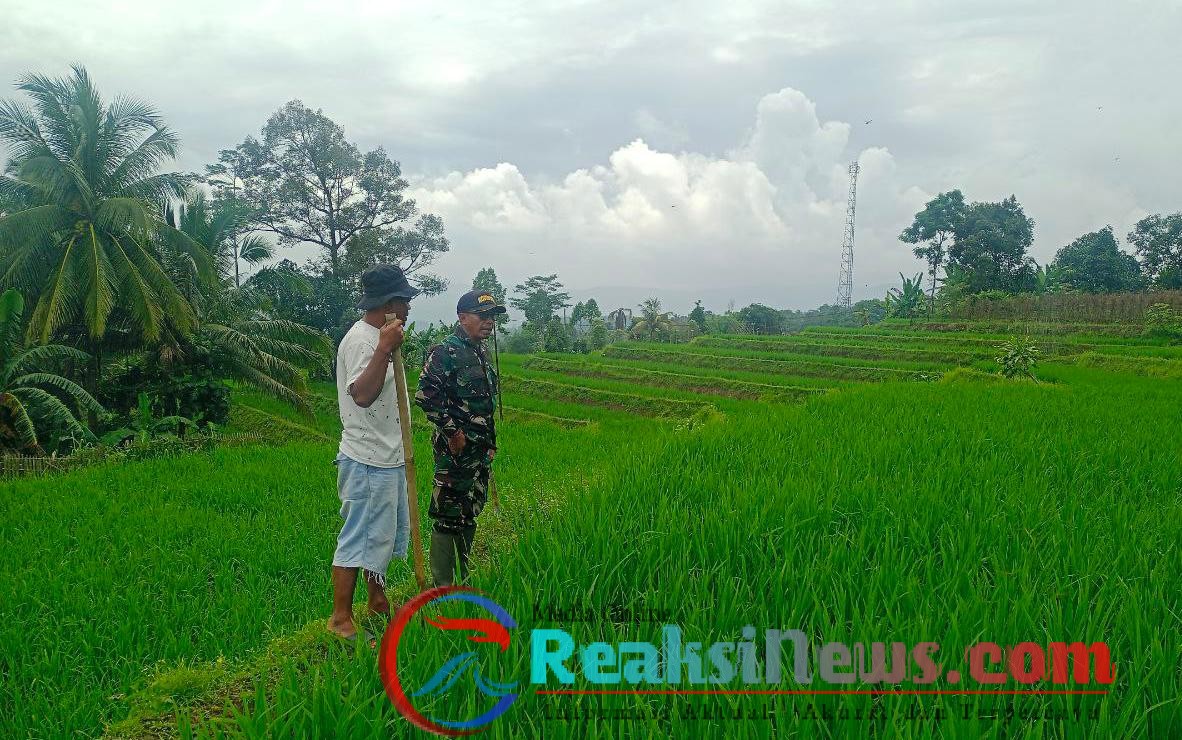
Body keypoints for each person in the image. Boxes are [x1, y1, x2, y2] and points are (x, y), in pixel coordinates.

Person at [328, 264, 419, 642]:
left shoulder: (381, 338)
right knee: (359, 537)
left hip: (389, 455)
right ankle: (340, 620)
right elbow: (362, 395)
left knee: (380, 536)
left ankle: (377, 601)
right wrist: (383, 349)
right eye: (404, 301)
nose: (409, 307)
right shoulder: (362, 342)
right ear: (388, 304)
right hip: (366, 459)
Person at [415, 289, 506, 586]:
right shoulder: (446, 352)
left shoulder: (480, 351)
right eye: (482, 316)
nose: (489, 322)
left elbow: (484, 404)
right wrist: (453, 432)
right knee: (448, 515)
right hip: (455, 451)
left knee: (469, 511)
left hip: (479, 450)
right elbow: (426, 396)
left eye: (492, 316)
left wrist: (490, 443)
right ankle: (443, 587)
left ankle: (462, 577)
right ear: (462, 317)